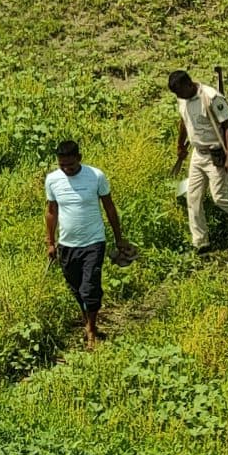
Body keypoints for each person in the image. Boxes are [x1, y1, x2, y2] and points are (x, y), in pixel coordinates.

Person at [43, 140, 134, 348]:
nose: (66, 169)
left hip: (93, 241)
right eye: (62, 165)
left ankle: (91, 330)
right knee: (75, 286)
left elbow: (109, 208)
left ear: (80, 159)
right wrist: (50, 242)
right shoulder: (53, 180)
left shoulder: (96, 176)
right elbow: (51, 211)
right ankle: (87, 319)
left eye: (71, 165)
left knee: (89, 288)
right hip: (67, 244)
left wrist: (119, 238)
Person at [167, 70, 228, 252]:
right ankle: (201, 242)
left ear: (189, 84)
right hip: (198, 154)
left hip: (215, 154)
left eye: (180, 92)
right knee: (193, 197)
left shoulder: (210, 97)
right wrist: (180, 144)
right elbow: (184, 120)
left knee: (220, 197)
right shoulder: (182, 98)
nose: (178, 96)